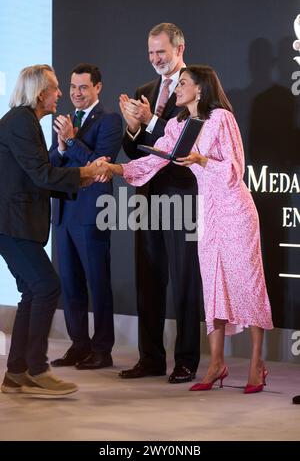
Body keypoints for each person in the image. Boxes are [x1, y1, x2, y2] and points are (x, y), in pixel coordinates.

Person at [99, 64, 274, 393]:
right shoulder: (178, 124)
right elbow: (155, 160)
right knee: (213, 288)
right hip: (207, 212)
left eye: (183, 83)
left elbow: (236, 169)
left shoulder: (222, 118)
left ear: (200, 89)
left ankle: (256, 363)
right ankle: (217, 364)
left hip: (235, 209)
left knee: (247, 285)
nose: (176, 88)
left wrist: (201, 160)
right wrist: (116, 167)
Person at [0, 64, 110, 396]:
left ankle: (16, 372)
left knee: (34, 292)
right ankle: (36, 369)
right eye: (56, 88)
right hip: (12, 224)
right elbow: (43, 174)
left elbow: (41, 174)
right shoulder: (21, 122)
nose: (61, 94)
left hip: (15, 223)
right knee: (47, 287)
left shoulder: (24, 121)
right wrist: (86, 173)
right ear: (40, 93)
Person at [119, 23, 202, 383]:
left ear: (179, 49)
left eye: (161, 52)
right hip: (148, 197)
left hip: (182, 194)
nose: (155, 59)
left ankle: (186, 360)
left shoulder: (197, 87)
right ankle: (150, 358)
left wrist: (149, 120)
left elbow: (179, 145)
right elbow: (134, 152)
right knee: (148, 279)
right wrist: (133, 128)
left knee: (184, 280)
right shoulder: (144, 92)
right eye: (151, 53)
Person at [49, 64, 122, 370]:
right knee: (70, 283)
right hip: (64, 213)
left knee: (98, 282)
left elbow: (101, 165)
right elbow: (52, 162)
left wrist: (72, 141)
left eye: (83, 87)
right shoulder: (66, 121)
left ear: (97, 88)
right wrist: (63, 144)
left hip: (93, 214)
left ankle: (102, 350)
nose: (76, 93)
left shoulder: (109, 121)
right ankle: (79, 345)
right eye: (72, 87)